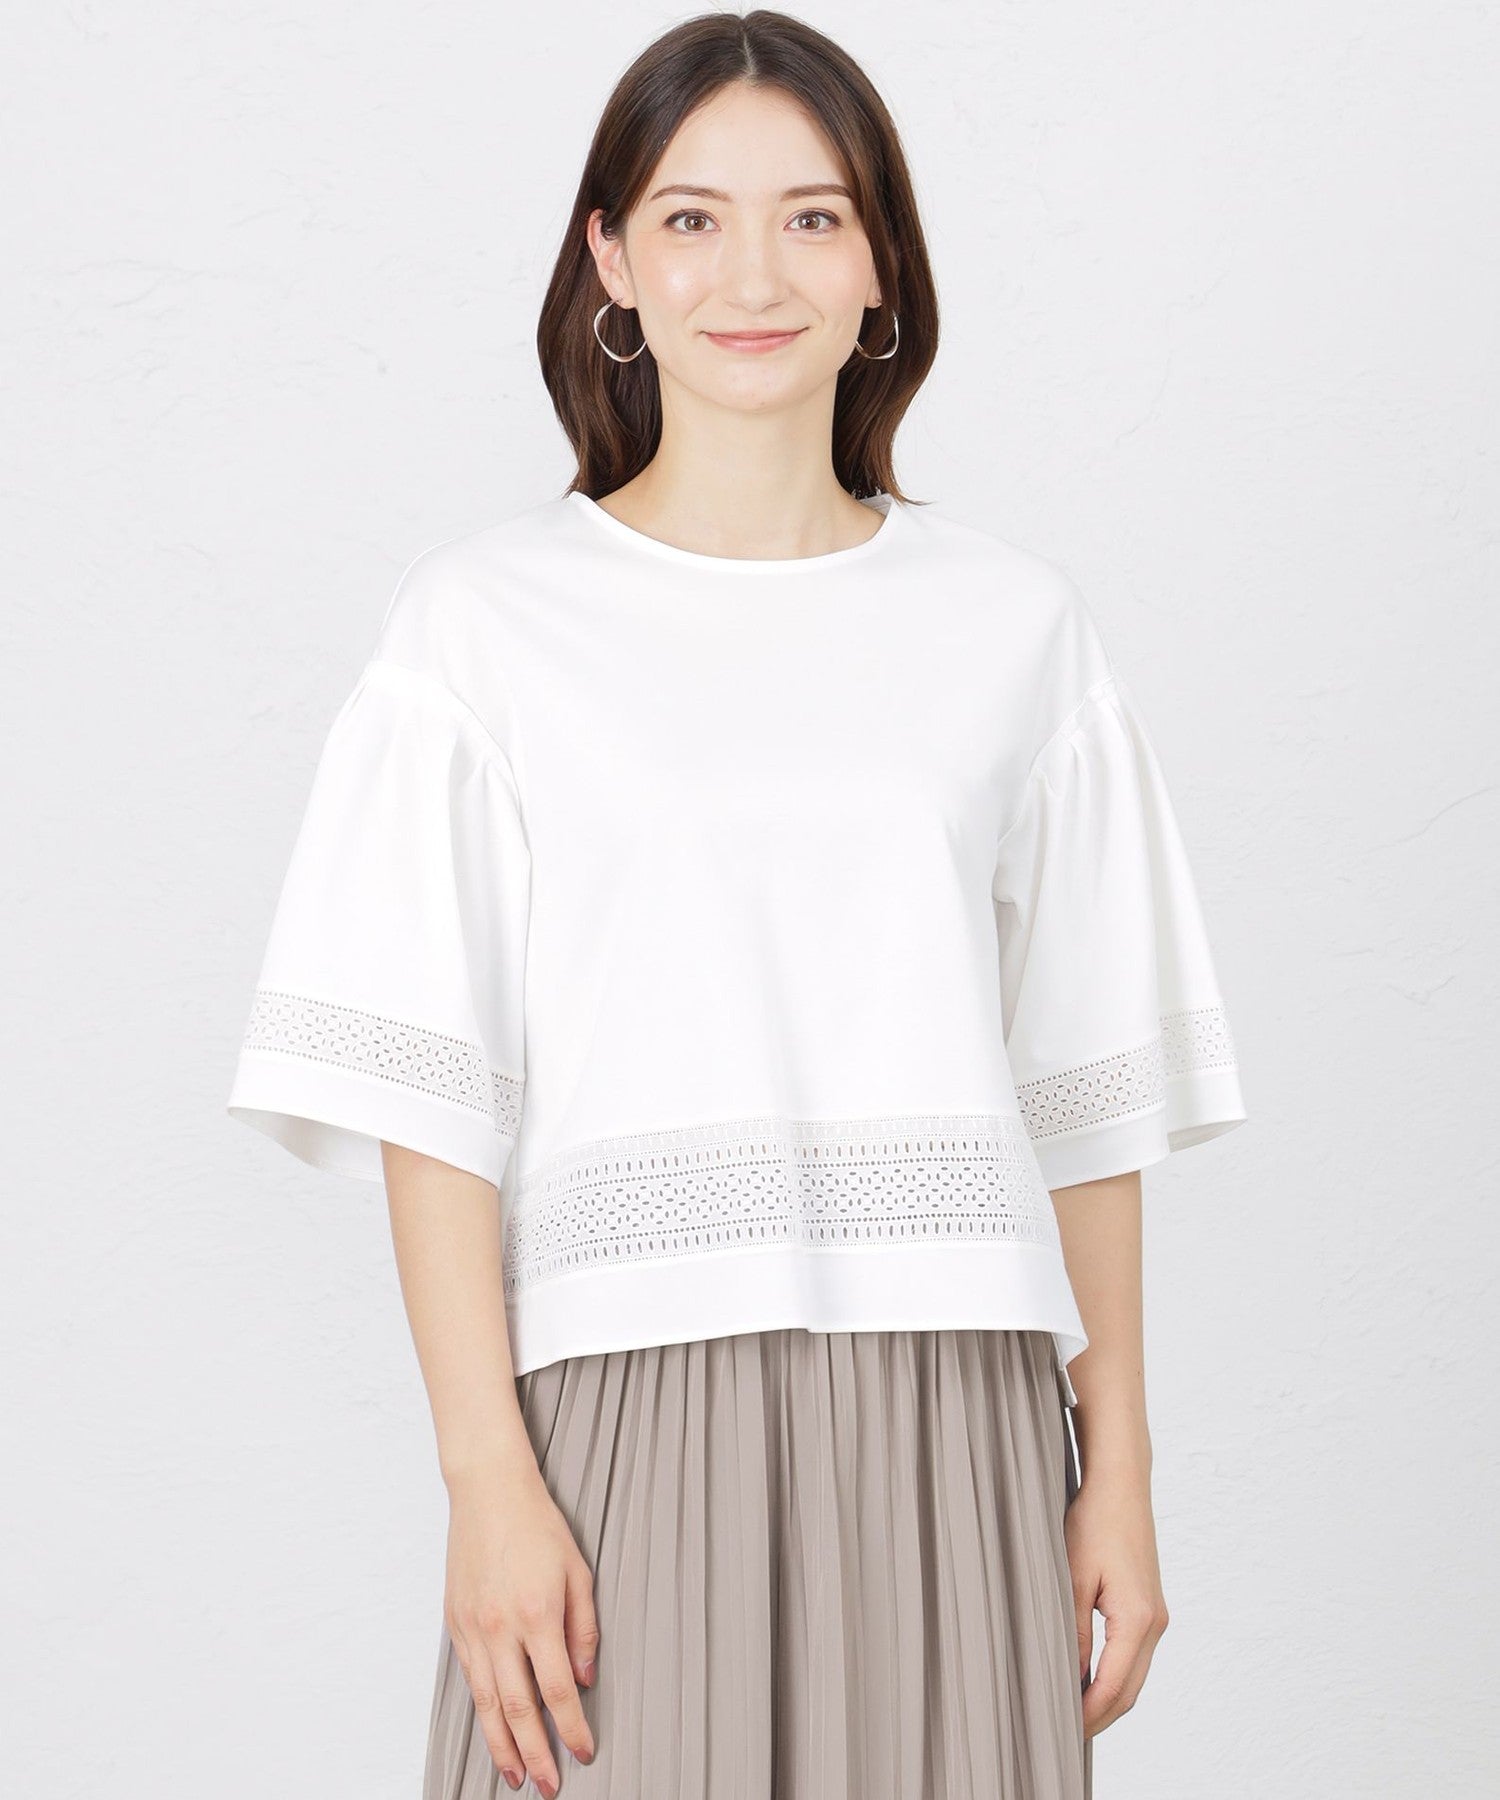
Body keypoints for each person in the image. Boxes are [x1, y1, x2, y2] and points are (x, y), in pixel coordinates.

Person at [226, 12, 1248, 1798]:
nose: (754, 275)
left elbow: (1086, 1100)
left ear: (882, 268)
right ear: (612, 260)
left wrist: (1123, 1469)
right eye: (692, 219)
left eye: (813, 217)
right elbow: (430, 1101)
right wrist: (485, 1478)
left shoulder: (1017, 628)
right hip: (617, 1403)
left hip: (956, 1409)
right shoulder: (481, 628)